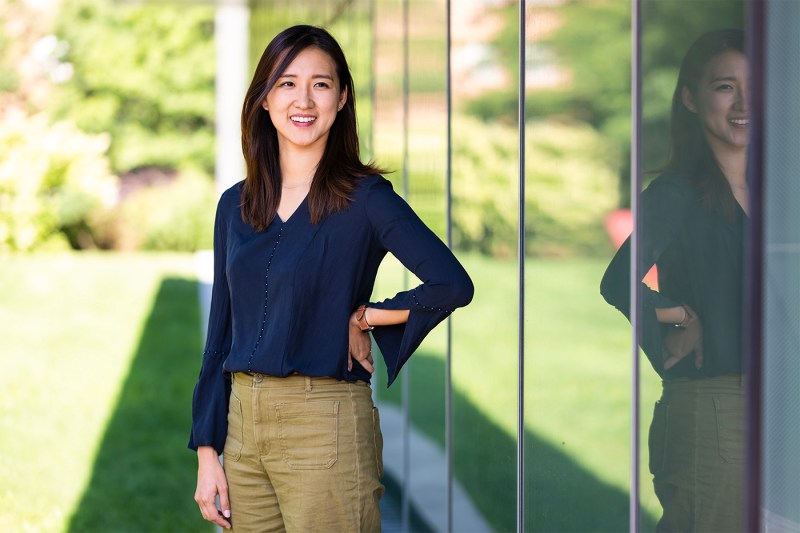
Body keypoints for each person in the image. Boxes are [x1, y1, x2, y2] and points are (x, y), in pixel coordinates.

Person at [189, 25, 473, 532]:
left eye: (321, 84)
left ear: (342, 98)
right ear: (264, 100)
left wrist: (365, 316)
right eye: (287, 83)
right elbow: (220, 336)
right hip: (242, 430)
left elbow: (451, 283)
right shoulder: (235, 204)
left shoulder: (365, 198)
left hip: (324, 425)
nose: (304, 100)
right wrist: (208, 452)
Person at [601, 28, 748, 532]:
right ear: (690, 97)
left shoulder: (778, 196)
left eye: (754, 87)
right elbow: (619, 282)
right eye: (725, 86)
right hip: (717, 410)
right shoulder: (677, 194)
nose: (743, 102)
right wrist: (680, 313)